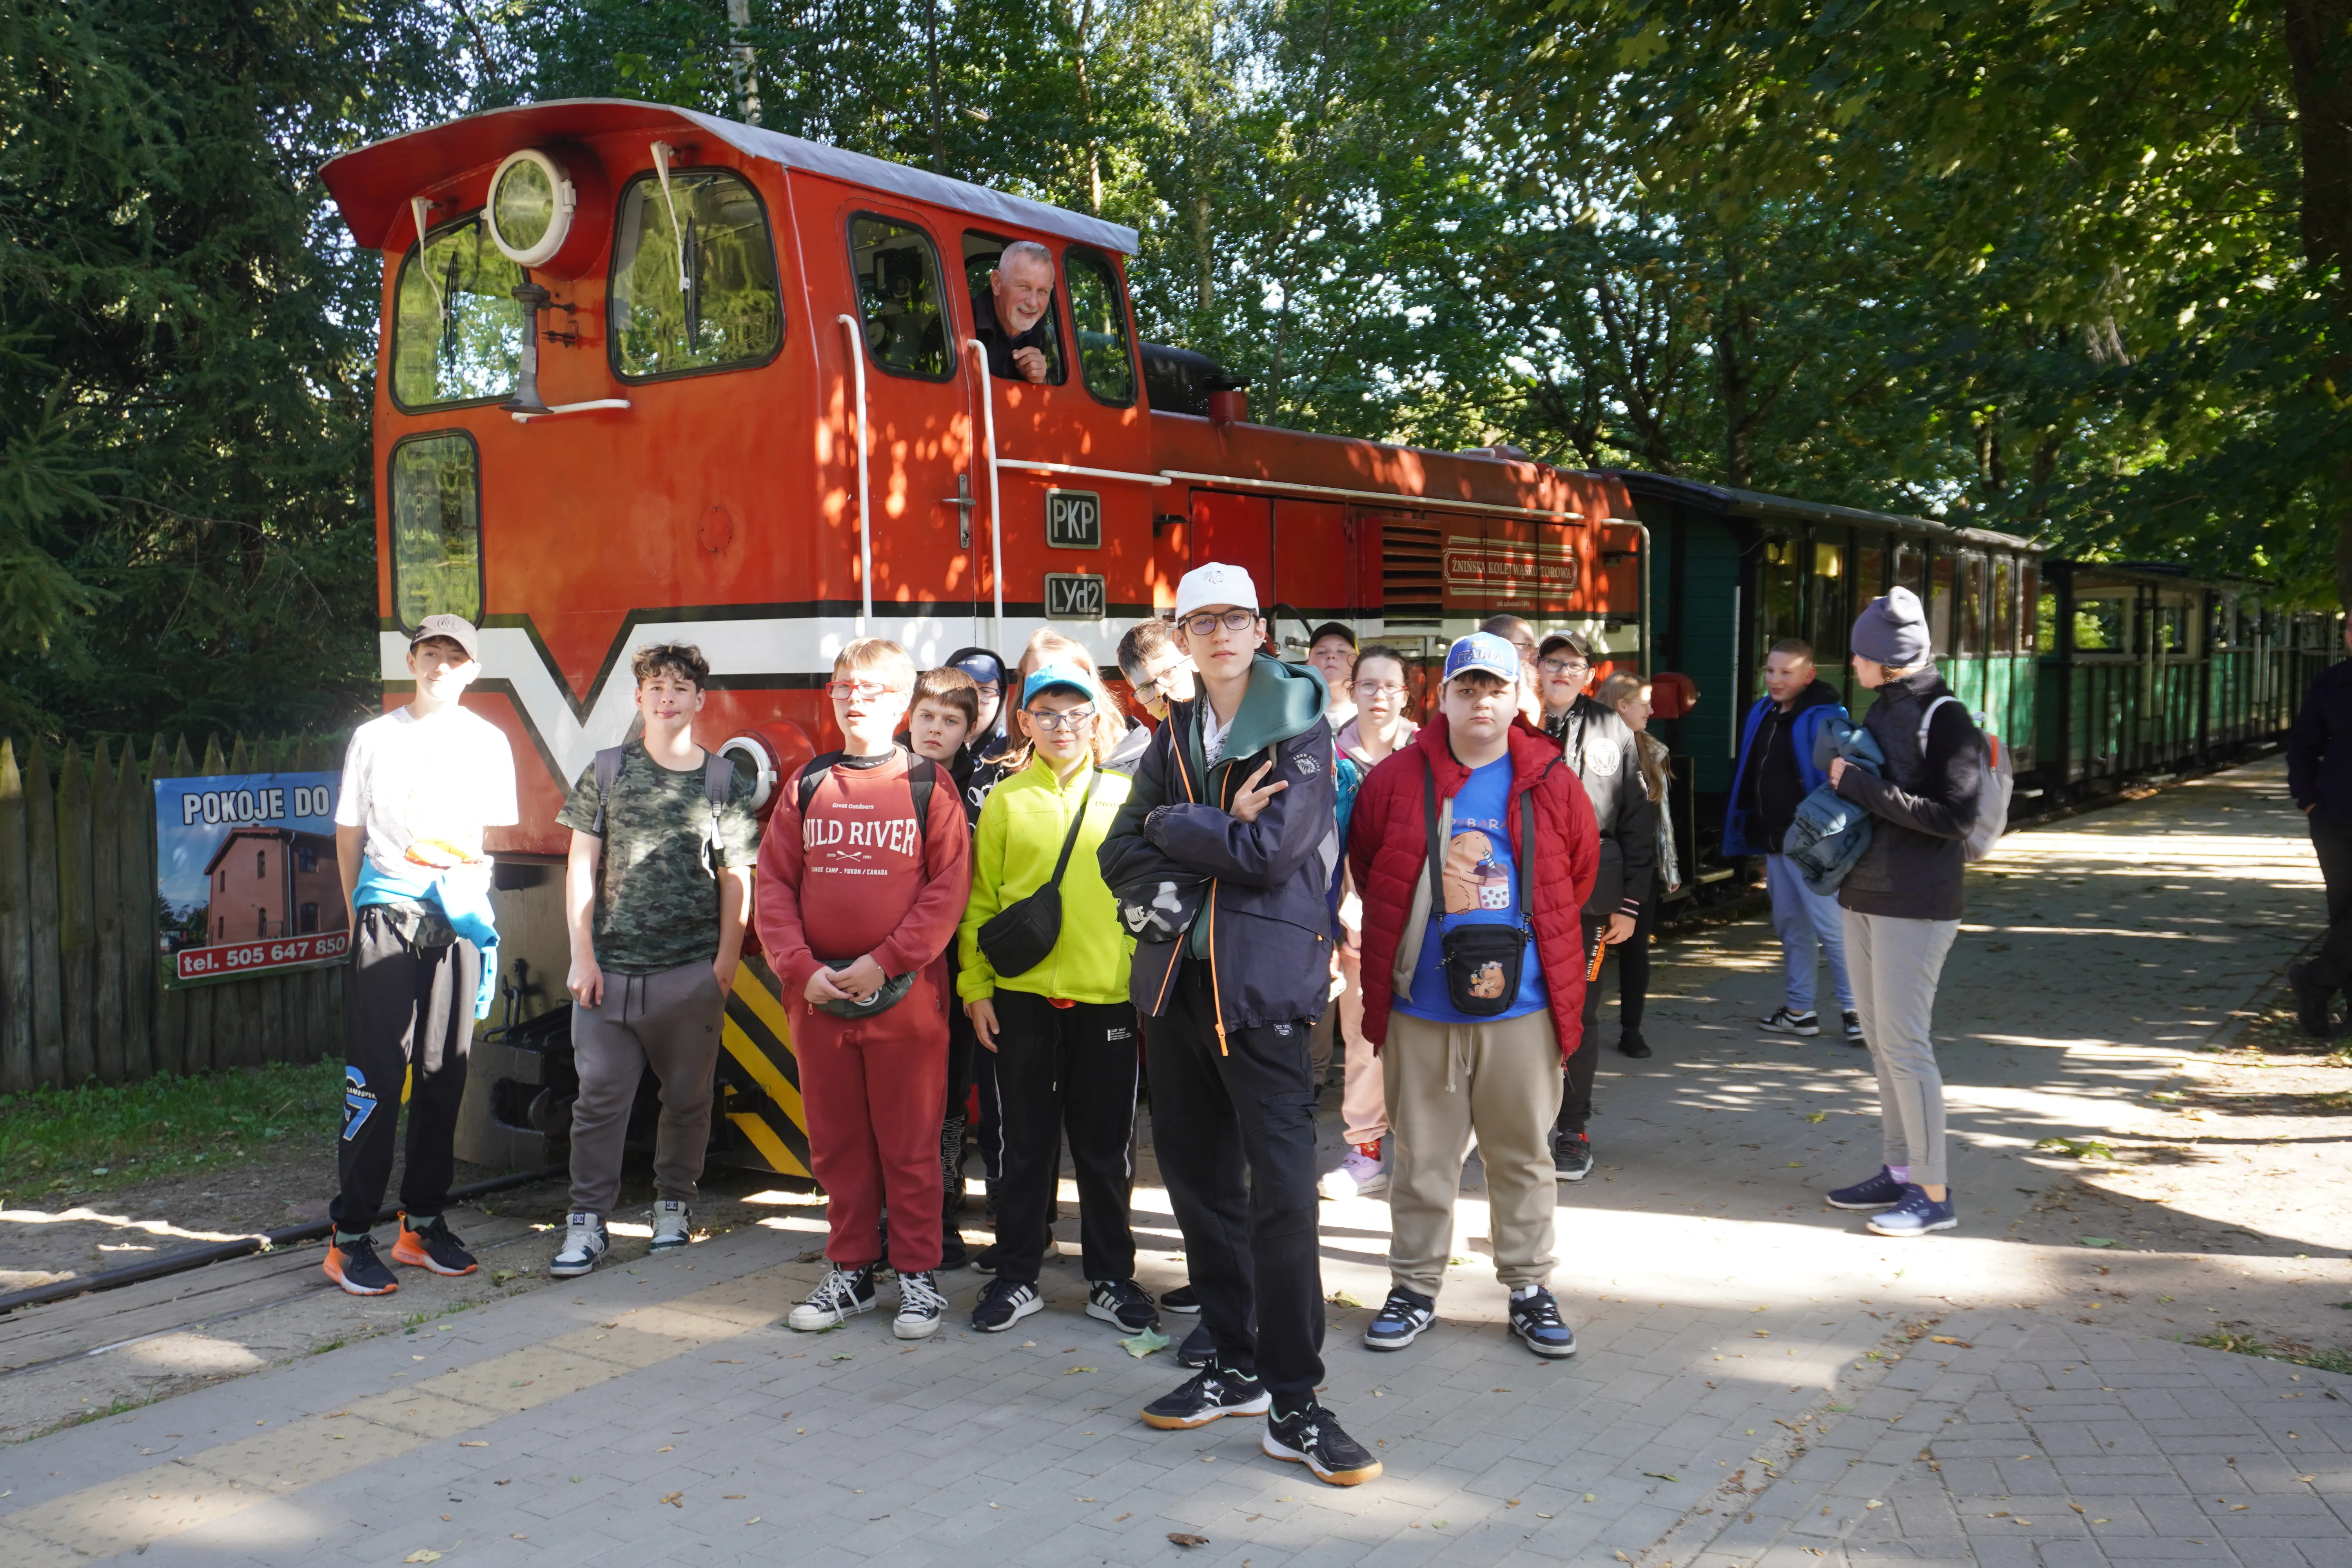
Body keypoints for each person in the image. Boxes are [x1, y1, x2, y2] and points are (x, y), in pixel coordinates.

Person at [1099, 561, 1380, 1487]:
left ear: (1262, 630)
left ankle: (1297, 1400)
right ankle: (1234, 1361)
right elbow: (1116, 851)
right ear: (1181, 636)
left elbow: (1273, 852)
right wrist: (1208, 816)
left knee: (1285, 1198)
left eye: (1237, 618)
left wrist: (1179, 827)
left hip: (1261, 993)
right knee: (1197, 1182)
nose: (1220, 633)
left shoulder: (1299, 725)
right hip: (1177, 985)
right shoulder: (1177, 728)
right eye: (1201, 620)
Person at [1345, 633, 1600, 1359]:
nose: (1481, 702)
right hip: (1422, 1007)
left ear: (1516, 696)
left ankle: (1527, 1286)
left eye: (1495, 689)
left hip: (1522, 1008)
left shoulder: (1550, 777)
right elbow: (1373, 867)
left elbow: (1577, 874)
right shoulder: (1396, 779)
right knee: (1423, 1157)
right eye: (1467, 689)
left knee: (1522, 1154)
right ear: (1443, 697)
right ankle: (1415, 1287)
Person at [754, 639, 973, 1336]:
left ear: (901, 704)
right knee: (838, 1144)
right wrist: (800, 971)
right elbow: (774, 887)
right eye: (845, 687)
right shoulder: (808, 785)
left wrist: (887, 961)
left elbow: (947, 892)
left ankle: (917, 1276)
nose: (856, 699)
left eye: (873, 689)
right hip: (820, 1001)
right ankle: (850, 1269)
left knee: (910, 1143)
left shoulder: (927, 787)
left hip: (906, 997)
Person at [549, 644, 760, 1278]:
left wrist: (724, 965)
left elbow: (737, 878)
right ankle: (586, 1223)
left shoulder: (725, 780)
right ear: (639, 700)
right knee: (598, 1101)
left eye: (680, 687)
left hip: (689, 972)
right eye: (655, 687)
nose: (667, 697)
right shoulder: (607, 772)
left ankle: (674, 1206)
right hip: (608, 974)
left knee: (689, 1100)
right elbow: (580, 865)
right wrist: (582, 955)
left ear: (701, 700)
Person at [323, 614, 517, 1295]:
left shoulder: (491, 742)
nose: (440, 665)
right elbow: (349, 833)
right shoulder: (374, 738)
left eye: (454, 656)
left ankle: (423, 1223)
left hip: (456, 917)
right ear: (412, 661)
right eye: (429, 653)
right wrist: (357, 915)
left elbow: (481, 835)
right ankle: (349, 1239)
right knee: (376, 1078)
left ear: (472, 669)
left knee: (445, 1075)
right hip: (386, 915)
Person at [958, 668, 1155, 1336]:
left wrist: (1139, 984)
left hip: (1108, 1003)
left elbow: (1149, 899)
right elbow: (980, 902)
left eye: (1076, 714)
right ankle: (1017, 1277)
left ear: (1097, 721)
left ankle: (1111, 1279)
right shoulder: (1006, 801)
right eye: (1047, 714)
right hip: (1021, 1003)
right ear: (1026, 724)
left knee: (1108, 1152)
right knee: (1022, 1150)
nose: (1062, 726)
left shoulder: (1128, 796)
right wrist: (976, 987)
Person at [1822, 587, 1982, 1238]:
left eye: (1860, 654)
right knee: (1885, 1046)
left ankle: (1934, 1191)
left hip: (1916, 903)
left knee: (1907, 1047)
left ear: (1886, 660)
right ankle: (1898, 1170)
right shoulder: (1883, 706)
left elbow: (1956, 817)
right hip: (1864, 894)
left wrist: (1857, 785)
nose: (1852, 663)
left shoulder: (1946, 717)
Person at [1534, 632, 1656, 1180]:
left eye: (1573, 665)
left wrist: (1629, 905)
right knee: (1516, 1013)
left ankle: (1572, 1129)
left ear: (1589, 675)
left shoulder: (1613, 731)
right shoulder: (1514, 725)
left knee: (1577, 1015)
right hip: (1515, 895)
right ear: (1535, 669)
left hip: (1591, 900)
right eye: (1552, 663)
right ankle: (1519, 1124)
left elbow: (1637, 821)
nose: (1561, 673)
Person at [1721, 641, 1860, 1043]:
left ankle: (1856, 1012)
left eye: (1786, 673)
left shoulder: (1827, 720)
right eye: (1770, 671)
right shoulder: (1762, 713)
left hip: (1815, 844)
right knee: (1791, 926)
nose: (1775, 680)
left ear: (1809, 676)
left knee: (1832, 928)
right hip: (1777, 841)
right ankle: (1800, 1011)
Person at [1319, 644, 1418, 1200]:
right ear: (1351, 690)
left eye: (1390, 687)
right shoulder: (1329, 760)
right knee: (1362, 1043)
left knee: (1428, 1042)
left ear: (1407, 695)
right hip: (1355, 924)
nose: (1379, 696)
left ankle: (1429, 1150)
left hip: (1426, 928)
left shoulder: (1432, 753)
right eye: (1369, 685)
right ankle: (1366, 1151)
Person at [906, 665, 984, 1268]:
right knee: (897, 1100)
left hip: (960, 968)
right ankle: (890, 1221)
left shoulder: (985, 790)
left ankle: (944, 1216)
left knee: (951, 1100)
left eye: (950, 721)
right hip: (894, 969)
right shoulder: (885, 780)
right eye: (927, 716)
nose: (936, 729)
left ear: (970, 728)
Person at [1593, 673, 1679, 1058]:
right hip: (1598, 868)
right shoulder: (1591, 749)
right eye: (1644, 702)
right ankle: (1578, 1028)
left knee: (1635, 951)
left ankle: (1632, 1029)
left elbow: (1662, 823)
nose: (1652, 709)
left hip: (1640, 869)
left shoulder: (1653, 750)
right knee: (1590, 953)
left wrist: (1671, 870)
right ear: (1621, 706)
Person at [2287, 621, 2352, 1036]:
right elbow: (2304, 745)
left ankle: (2314, 981)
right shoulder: (2332, 684)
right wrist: (2308, 801)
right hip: (2336, 818)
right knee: (2344, 914)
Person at [971, 240, 1058, 384]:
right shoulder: (957, 321)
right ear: (997, 283)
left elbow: (1056, 398)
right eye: (1024, 286)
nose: (1033, 302)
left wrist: (1039, 379)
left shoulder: (1042, 331)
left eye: (1043, 291)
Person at [1118, 617, 1196, 723]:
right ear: (1141, 700)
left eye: (1168, 673)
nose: (1160, 692)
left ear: (1194, 663)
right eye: (1146, 688)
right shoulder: (1161, 740)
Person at [1305, 622, 1359, 730]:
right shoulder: (1294, 716)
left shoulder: (1373, 712)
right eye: (1321, 652)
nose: (1331, 656)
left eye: (1342, 651)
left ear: (1359, 664)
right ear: (1308, 665)